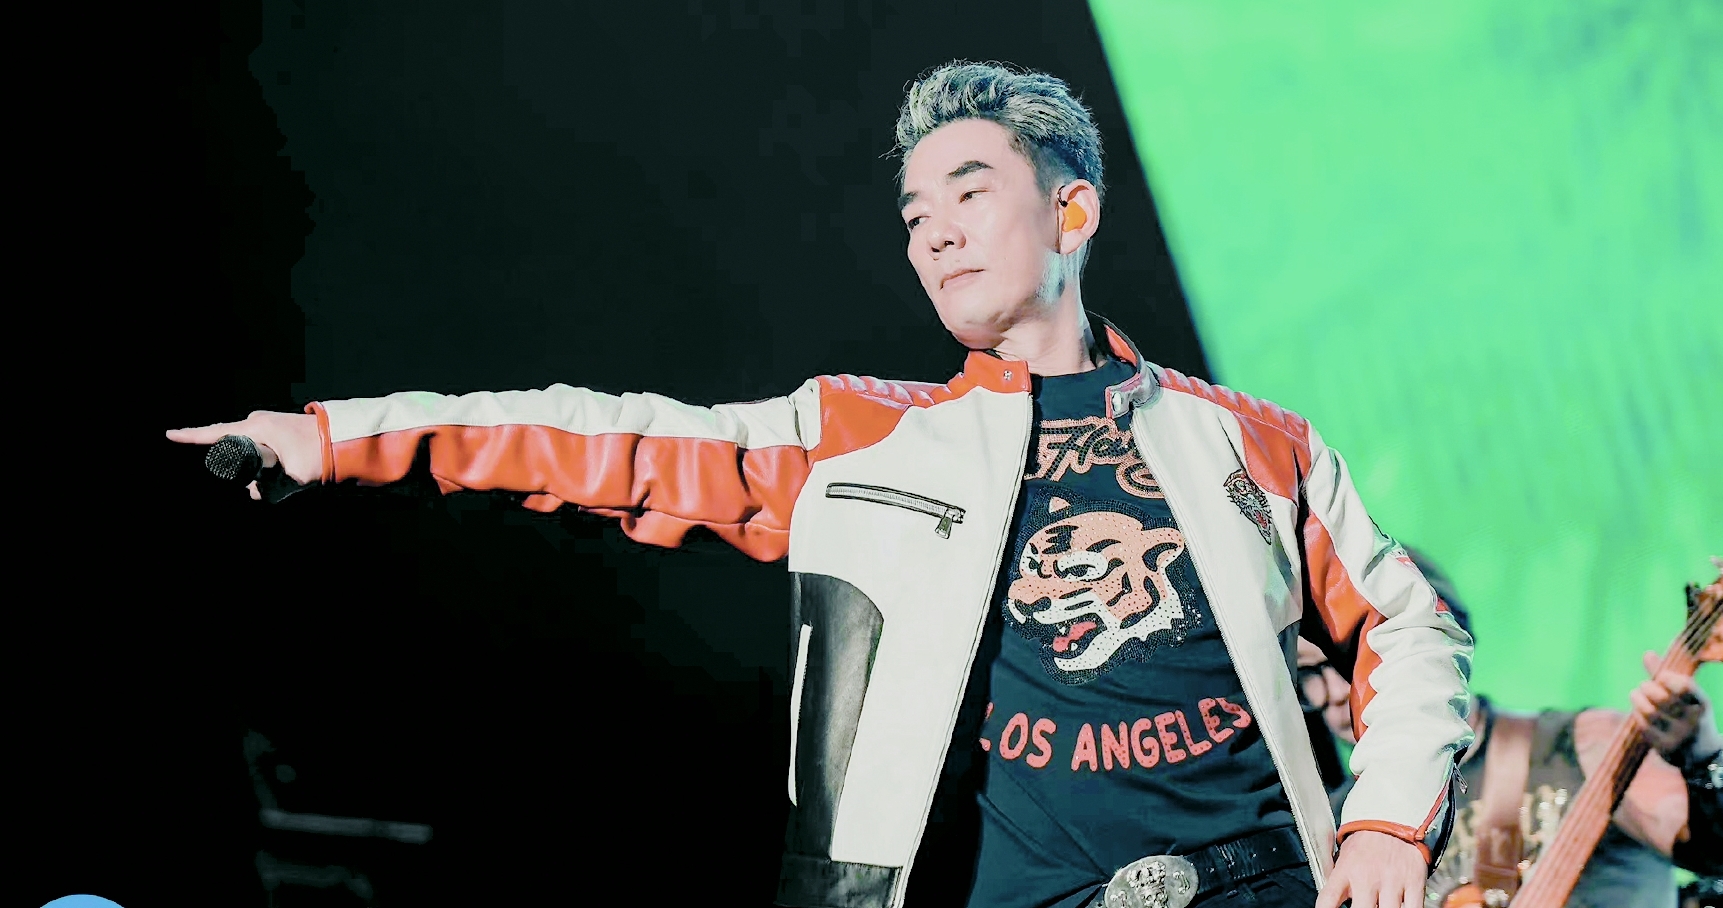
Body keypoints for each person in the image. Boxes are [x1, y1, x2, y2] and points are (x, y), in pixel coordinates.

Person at [168, 62, 1473, 908]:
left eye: (968, 191)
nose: (933, 230)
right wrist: (336, 434)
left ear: (1071, 214)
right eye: (913, 215)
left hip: (1255, 884)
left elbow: (1410, 627)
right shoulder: (861, 437)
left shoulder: (1249, 441)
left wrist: (1385, 826)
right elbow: (606, 438)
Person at [1299, 549, 1723, 908]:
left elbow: (1715, 855)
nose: (1335, 692)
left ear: (1441, 644)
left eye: (1353, 659)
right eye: (1308, 672)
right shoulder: (1330, 824)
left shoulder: (1584, 745)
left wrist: (1701, 756)